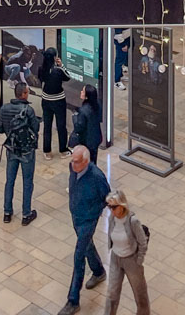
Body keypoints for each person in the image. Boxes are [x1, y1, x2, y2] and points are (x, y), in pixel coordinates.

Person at [59, 145, 110, 315]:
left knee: (78, 257)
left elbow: (107, 197)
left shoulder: (96, 176)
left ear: (86, 161)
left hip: (88, 219)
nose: (73, 165)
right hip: (76, 215)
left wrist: (94, 211)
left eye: (77, 162)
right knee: (87, 246)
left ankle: (73, 301)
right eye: (72, 161)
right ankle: (98, 271)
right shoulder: (72, 168)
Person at [0, 81, 40, 226]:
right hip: (27, 151)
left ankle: (7, 212)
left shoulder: (4, 108)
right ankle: (26, 214)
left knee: (10, 181)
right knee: (27, 182)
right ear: (24, 94)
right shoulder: (28, 110)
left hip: (11, 149)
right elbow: (36, 128)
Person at [104, 189, 150, 315]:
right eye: (109, 207)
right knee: (111, 293)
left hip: (131, 260)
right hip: (116, 258)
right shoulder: (111, 218)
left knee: (139, 293)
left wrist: (139, 260)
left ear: (122, 205)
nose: (111, 210)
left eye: (113, 207)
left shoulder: (133, 221)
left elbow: (142, 242)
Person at [39, 47, 71, 159]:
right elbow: (68, 77)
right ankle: (63, 150)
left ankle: (47, 151)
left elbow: (41, 79)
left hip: (46, 99)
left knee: (47, 126)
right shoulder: (58, 71)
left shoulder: (41, 69)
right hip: (58, 100)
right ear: (54, 57)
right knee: (61, 126)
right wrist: (61, 65)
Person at [70, 84, 103, 164]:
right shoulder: (97, 104)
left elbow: (79, 127)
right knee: (93, 160)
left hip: (86, 140)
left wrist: (74, 117)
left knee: (86, 162)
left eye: (83, 91)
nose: (81, 92)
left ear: (87, 96)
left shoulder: (83, 111)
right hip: (96, 137)